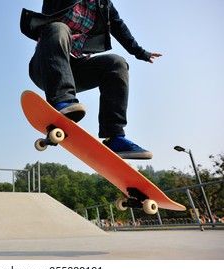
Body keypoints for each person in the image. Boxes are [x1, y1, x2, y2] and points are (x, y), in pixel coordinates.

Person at [20, 0, 162, 159]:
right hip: (46, 65)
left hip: (76, 70)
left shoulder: (104, 5)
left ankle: (114, 137)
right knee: (58, 28)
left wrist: (141, 53)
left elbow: (119, 27)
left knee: (117, 63)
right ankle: (62, 101)